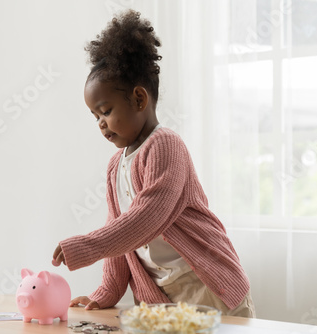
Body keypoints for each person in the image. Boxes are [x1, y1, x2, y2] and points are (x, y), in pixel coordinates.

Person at [52, 10, 255, 318]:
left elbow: (146, 219)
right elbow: (117, 230)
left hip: (209, 289)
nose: (101, 124)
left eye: (105, 111)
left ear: (138, 99)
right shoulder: (114, 167)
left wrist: (89, 245)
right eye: (95, 117)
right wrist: (108, 290)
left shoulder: (165, 146)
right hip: (165, 299)